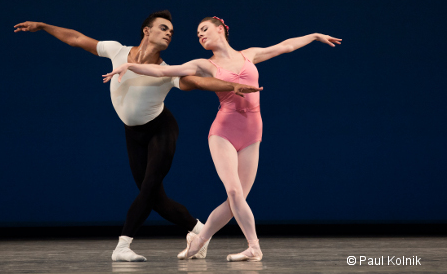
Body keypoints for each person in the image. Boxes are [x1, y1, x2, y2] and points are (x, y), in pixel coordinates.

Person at [13, 11, 261, 262]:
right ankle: (198, 231)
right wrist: (43, 26)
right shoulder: (117, 51)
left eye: (171, 32)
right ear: (146, 31)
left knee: (149, 187)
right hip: (133, 133)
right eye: (163, 28)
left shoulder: (166, 71)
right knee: (155, 198)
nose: (168, 34)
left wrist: (231, 85)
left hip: (161, 131)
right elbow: (76, 38)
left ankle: (122, 246)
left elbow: (197, 82)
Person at [104, 16, 341, 261]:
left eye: (204, 29)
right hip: (224, 130)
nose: (200, 35)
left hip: (252, 132)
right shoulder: (204, 64)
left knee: (235, 200)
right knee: (235, 193)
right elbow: (164, 70)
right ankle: (251, 247)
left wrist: (313, 36)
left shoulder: (250, 54)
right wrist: (131, 66)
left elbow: (285, 46)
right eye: (197, 34)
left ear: (221, 29)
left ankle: (204, 240)